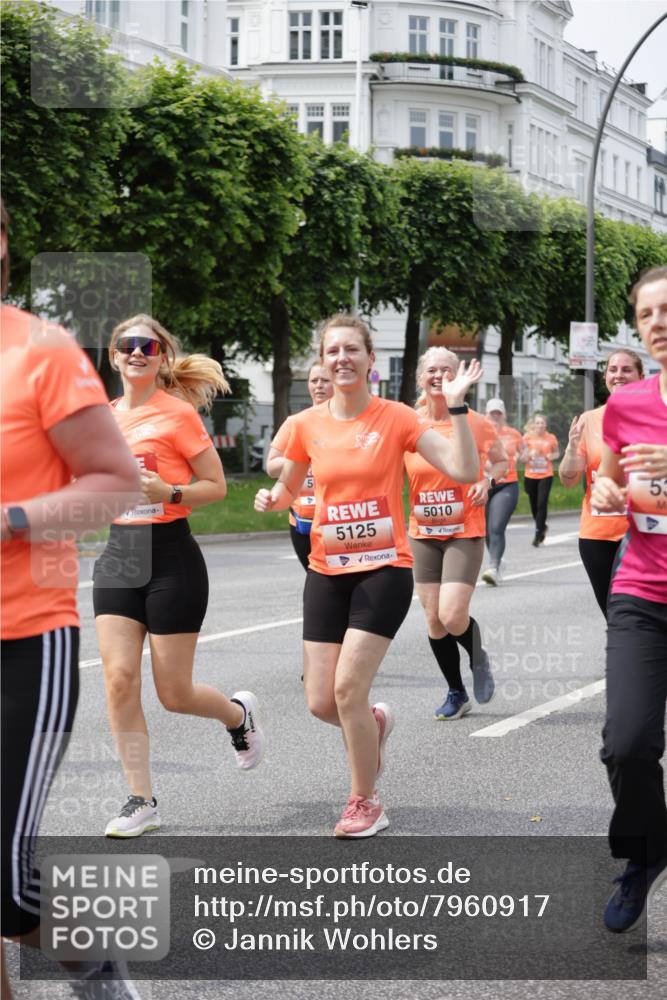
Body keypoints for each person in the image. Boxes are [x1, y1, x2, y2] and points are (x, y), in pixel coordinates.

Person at [254, 315, 482, 838]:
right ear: (323, 359)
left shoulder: (397, 417)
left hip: (384, 569)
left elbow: (464, 470)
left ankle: (365, 800)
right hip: (325, 570)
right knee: (320, 700)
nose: (342, 358)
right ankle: (374, 726)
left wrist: (460, 408)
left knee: (348, 690)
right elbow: (289, 490)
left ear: (369, 359)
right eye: (333, 350)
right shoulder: (308, 424)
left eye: (352, 349)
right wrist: (273, 499)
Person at [1, 200, 142, 998]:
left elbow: (115, 485)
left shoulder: (41, 352)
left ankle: (91, 964)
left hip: (23, 638)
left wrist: (12, 519)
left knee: (1, 876)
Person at [93, 315, 264, 840]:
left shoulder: (179, 415)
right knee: (119, 679)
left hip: (171, 557)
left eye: (149, 345)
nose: (137, 352)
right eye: (128, 345)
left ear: (163, 356)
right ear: (114, 355)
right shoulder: (101, 417)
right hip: (120, 554)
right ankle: (141, 800)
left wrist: (166, 491)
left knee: (174, 692)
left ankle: (237, 716)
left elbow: (215, 486)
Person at [590, 266, 667, 933]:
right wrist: (605, 495)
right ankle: (645, 853)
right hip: (642, 590)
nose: (659, 323)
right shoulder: (626, 404)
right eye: (647, 314)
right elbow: (607, 485)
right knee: (626, 743)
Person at [404, 348, 508, 720]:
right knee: (433, 618)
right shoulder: (408, 423)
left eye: (446, 370)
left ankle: (477, 655)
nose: (438, 375)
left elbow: (500, 459)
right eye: (431, 370)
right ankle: (456, 691)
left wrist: (487, 479)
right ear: (420, 378)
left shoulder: (476, 422)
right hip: (423, 532)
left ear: (458, 376)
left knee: (451, 615)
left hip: (465, 528)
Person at [558, 351, 644, 616]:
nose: (619, 375)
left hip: (645, 534)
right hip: (598, 535)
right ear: (605, 376)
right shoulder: (588, 420)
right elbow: (569, 480)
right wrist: (572, 449)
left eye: (627, 370)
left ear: (641, 377)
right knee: (614, 614)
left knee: (640, 614)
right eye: (613, 369)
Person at [266, 362, 334, 570]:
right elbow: (271, 467)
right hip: (302, 520)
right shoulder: (296, 422)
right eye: (314, 381)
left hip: (335, 518)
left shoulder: (345, 423)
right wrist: (303, 457)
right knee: (315, 578)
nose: (319, 386)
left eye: (325, 380)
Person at [481, 398, 525, 586]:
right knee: (485, 529)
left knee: (496, 526)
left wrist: (522, 455)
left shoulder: (513, 434)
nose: (495, 418)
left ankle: (493, 567)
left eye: (498, 413)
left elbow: (523, 454)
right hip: (484, 484)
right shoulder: (479, 433)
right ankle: (497, 561)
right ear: (486, 414)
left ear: (504, 415)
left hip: (506, 484)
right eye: (492, 414)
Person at [523, 413, 560, 547]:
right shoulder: (527, 437)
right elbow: (521, 456)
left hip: (546, 474)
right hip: (530, 475)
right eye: (537, 423)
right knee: (534, 505)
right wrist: (528, 454)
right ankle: (542, 526)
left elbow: (557, 453)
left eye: (542, 423)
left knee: (542, 503)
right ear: (534, 425)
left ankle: (537, 534)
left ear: (546, 425)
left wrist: (552, 456)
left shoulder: (551, 438)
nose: (540, 425)